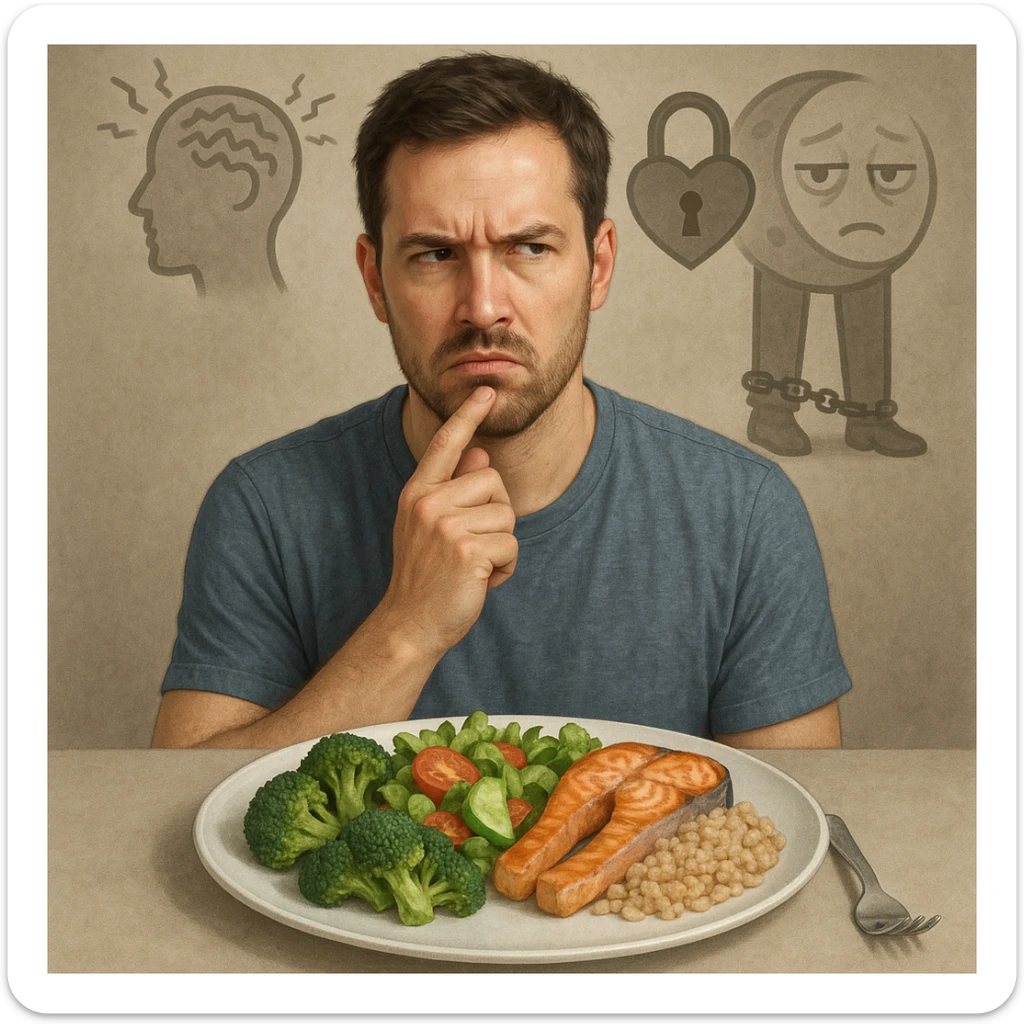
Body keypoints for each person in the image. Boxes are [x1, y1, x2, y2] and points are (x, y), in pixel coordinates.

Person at [152, 53, 850, 751]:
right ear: (374, 279)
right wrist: (407, 628)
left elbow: (791, 810)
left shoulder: (745, 513)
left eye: (529, 248)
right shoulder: (264, 506)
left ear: (599, 265)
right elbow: (178, 797)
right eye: (435, 255)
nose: (483, 307)